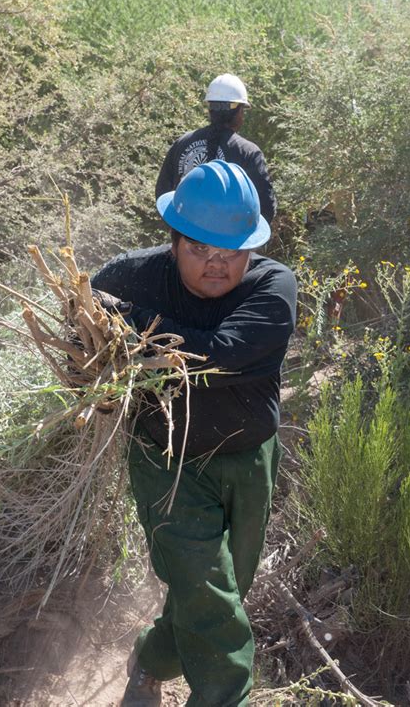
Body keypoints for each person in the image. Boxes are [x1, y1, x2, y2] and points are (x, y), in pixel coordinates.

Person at [91, 160, 297, 706]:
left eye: (231, 252)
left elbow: (218, 354)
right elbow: (84, 305)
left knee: (225, 586)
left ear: (250, 248)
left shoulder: (273, 287)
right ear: (174, 239)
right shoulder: (130, 275)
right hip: (166, 460)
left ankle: (152, 659)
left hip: (248, 457)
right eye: (200, 250)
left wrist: (132, 322)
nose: (216, 265)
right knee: (207, 590)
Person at [155, 73, 277, 224]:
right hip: (228, 242)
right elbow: (265, 208)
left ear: (210, 109)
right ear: (239, 111)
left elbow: (163, 194)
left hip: (185, 237)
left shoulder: (181, 143)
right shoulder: (248, 152)